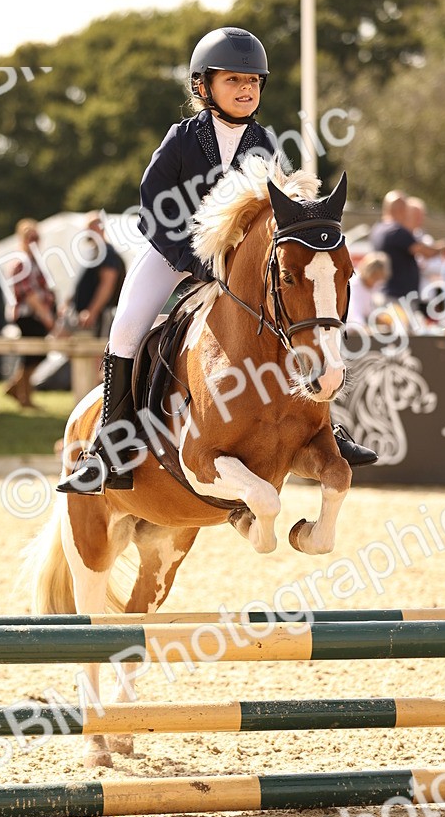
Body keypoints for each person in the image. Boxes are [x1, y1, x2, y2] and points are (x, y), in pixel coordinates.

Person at [58, 26, 376, 495]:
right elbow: (153, 207)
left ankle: (325, 428)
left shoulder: (264, 142)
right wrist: (193, 261)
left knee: (295, 322)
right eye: (233, 80)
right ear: (203, 86)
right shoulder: (182, 138)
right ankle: (110, 447)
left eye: (253, 81)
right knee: (125, 330)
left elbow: (280, 211)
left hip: (240, 266)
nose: (246, 89)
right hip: (175, 255)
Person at [2, 219, 57, 409]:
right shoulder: (22, 263)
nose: (34, 241)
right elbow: (30, 295)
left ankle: (16, 388)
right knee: (33, 354)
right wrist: (46, 316)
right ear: (22, 240)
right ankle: (24, 396)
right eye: (30, 238)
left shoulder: (32, 261)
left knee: (35, 355)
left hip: (34, 315)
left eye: (36, 237)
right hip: (28, 315)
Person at [371, 192, 445, 307]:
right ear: (401, 210)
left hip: (388, 294)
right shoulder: (397, 231)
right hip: (398, 298)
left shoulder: (378, 229)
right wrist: (442, 247)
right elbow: (426, 252)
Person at [67, 212, 126, 337]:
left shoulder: (107, 253)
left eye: (92, 226)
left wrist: (92, 312)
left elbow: (107, 285)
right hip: (83, 317)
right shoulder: (95, 252)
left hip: (96, 319)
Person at [346, 251, 391, 328]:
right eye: (375, 277)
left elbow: (368, 309)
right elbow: (354, 312)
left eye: (379, 278)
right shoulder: (353, 284)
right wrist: (364, 327)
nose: (376, 281)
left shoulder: (375, 286)